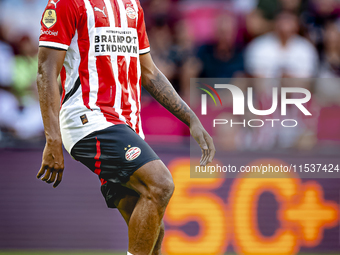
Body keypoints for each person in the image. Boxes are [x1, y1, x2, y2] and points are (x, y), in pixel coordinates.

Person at [35, 0, 215, 255]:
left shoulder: (132, 5)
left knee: (154, 232)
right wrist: (52, 139)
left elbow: (149, 72)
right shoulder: (67, 3)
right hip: (89, 118)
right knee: (161, 184)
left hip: (126, 125)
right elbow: (46, 70)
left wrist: (191, 118)